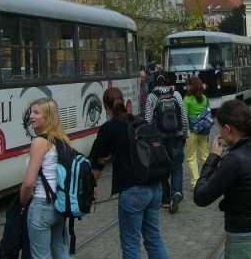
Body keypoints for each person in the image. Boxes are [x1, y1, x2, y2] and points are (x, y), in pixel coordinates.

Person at [194, 100, 251, 259]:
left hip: (245, 242)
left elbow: (201, 196)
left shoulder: (234, 160)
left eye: (220, 130)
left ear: (227, 129)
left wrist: (213, 157)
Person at [89, 87, 168, 259]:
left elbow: (95, 163)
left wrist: (90, 188)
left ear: (105, 106)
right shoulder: (139, 121)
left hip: (133, 190)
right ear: (123, 101)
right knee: (153, 238)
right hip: (154, 186)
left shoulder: (109, 128)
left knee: (131, 243)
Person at [19, 98, 70, 259]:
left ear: (47, 116)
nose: (31, 117)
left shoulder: (39, 142)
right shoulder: (63, 139)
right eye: (31, 112)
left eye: (36, 112)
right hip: (60, 205)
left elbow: (28, 183)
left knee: (41, 256)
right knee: (61, 252)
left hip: (41, 205)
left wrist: (22, 202)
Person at [144, 74, 188, 213]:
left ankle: (165, 198)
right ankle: (177, 193)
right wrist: (184, 134)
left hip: (159, 139)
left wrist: (149, 140)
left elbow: (148, 120)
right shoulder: (176, 94)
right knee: (177, 166)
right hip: (176, 137)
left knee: (161, 167)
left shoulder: (152, 97)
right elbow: (184, 117)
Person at [183, 76, 210, 189]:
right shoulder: (205, 98)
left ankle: (196, 181)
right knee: (205, 156)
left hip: (192, 131)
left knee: (191, 157)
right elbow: (208, 114)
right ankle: (208, 178)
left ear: (191, 87)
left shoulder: (187, 100)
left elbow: (184, 117)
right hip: (204, 131)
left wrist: (184, 133)